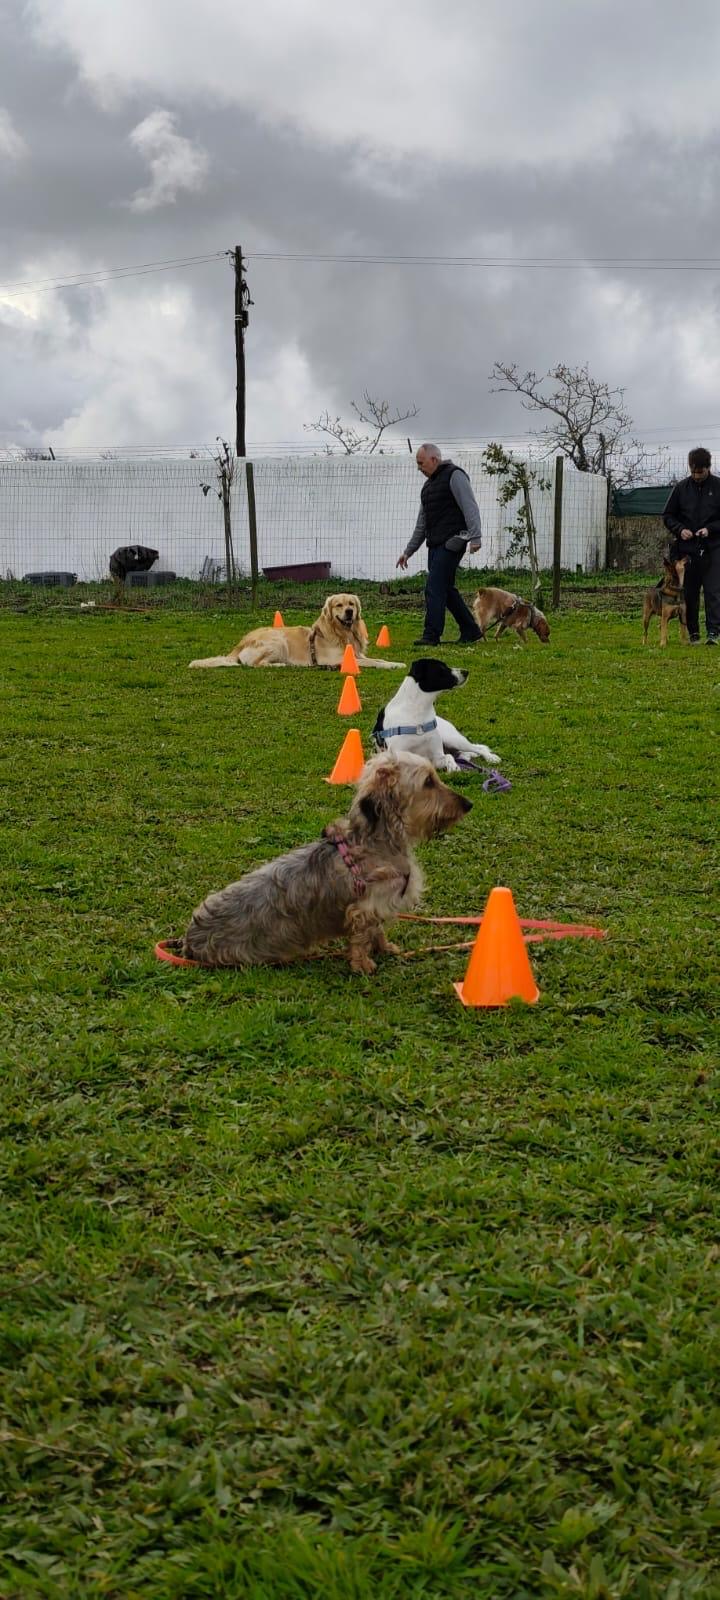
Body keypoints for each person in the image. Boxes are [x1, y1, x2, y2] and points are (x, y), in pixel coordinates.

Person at [396, 444, 484, 646]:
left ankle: (431, 635)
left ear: (434, 459)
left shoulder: (455, 475)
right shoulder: (427, 488)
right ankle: (470, 630)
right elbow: (422, 524)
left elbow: (470, 506)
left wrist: (475, 537)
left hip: (452, 542)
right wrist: (408, 551)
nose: (419, 468)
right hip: (434, 545)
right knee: (446, 589)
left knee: (434, 587)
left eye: (421, 463)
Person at [662, 447, 720, 644]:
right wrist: (680, 530)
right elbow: (668, 515)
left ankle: (713, 632)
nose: (696, 476)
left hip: (713, 548)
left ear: (708, 468)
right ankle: (693, 632)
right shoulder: (680, 488)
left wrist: (710, 529)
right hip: (688, 550)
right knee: (690, 592)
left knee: (713, 591)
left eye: (700, 472)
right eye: (693, 471)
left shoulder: (718, 486)